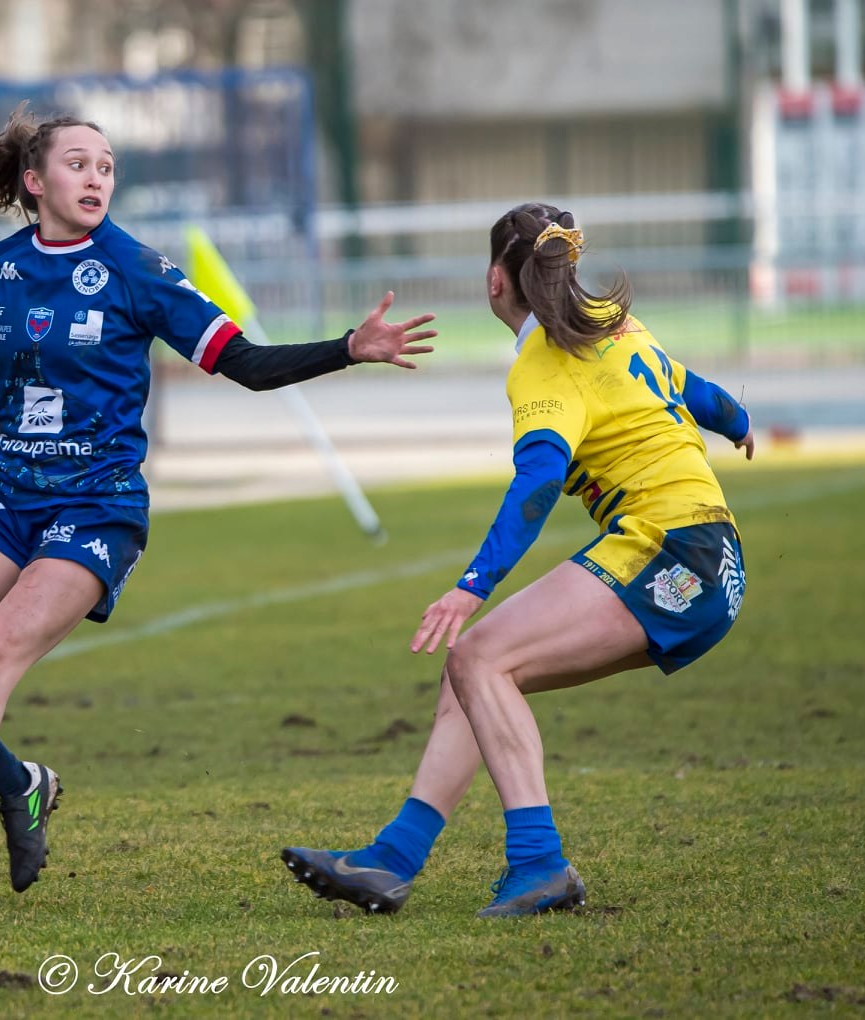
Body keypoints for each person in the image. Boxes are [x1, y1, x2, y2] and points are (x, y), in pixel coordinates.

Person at [0, 105, 437, 919]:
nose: (96, 178)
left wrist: (346, 348)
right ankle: (22, 784)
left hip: (98, 508)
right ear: (35, 181)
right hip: (10, 500)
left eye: (107, 167)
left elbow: (244, 364)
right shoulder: (0, 272)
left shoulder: (137, 269)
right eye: (79, 164)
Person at [281, 204, 754, 918]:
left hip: (670, 553)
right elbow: (691, 388)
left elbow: (536, 483)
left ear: (495, 280)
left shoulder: (541, 362)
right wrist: (738, 422)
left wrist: (472, 586)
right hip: (708, 557)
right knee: (471, 674)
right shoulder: (611, 322)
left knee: (480, 659)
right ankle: (392, 860)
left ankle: (538, 865)